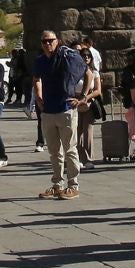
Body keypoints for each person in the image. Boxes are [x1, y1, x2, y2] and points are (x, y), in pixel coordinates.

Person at [31, 30, 86, 199]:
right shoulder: (40, 60)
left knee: (69, 148)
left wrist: (83, 97)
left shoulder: (66, 57)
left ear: (57, 41)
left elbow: (88, 72)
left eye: (51, 40)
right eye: (44, 41)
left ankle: (73, 184)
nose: (48, 44)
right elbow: (36, 78)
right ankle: (57, 184)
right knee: (54, 151)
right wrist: (38, 96)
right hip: (48, 110)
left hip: (65, 108)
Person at [74, 35, 104, 168]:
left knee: (88, 133)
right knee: (76, 133)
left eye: (88, 56)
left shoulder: (94, 72)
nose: (86, 58)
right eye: (84, 56)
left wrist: (87, 97)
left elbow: (98, 90)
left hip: (89, 104)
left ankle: (89, 159)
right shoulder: (74, 71)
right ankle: (79, 157)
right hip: (75, 104)